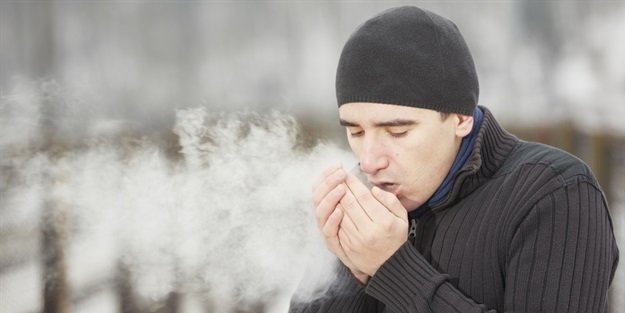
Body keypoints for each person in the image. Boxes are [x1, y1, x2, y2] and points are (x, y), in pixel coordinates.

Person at [289, 5, 619, 313]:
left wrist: (393, 267)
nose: (370, 160)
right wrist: (351, 268)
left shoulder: (554, 194)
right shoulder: (360, 204)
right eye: (357, 132)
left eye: (398, 131)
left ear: (461, 119)